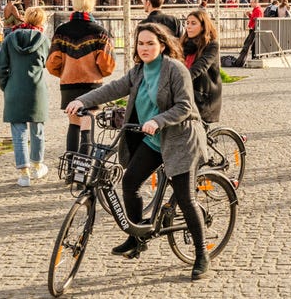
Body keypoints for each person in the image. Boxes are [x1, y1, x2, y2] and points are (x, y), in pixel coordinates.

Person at [65, 23, 211, 280]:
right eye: (140, 44)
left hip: (180, 139)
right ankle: (136, 238)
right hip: (153, 140)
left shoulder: (175, 70)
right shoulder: (138, 72)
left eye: (150, 43)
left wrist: (159, 120)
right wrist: (81, 100)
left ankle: (201, 254)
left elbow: (185, 107)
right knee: (130, 181)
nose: (144, 48)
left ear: (162, 45)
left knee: (185, 197)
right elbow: (112, 89)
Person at [47, 0, 116, 155]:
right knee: (87, 125)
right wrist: (99, 72)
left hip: (68, 85)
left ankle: (70, 166)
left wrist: (64, 73)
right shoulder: (100, 32)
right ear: (91, 6)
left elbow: (52, 63)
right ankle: (83, 168)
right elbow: (107, 63)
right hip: (92, 85)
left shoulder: (61, 31)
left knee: (73, 124)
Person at [0, 5, 50, 187]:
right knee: (38, 131)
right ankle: (37, 165)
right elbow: (49, 63)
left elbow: (2, 66)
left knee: (18, 132)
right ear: (41, 21)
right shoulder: (43, 40)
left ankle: (24, 173)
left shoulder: (10, 38)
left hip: (14, 89)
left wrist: (6, 86)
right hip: (36, 90)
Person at [182, 9, 222, 124]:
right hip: (187, 91)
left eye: (193, 23)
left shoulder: (212, 45)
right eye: (187, 23)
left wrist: (180, 81)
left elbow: (200, 66)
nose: (188, 26)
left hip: (203, 95)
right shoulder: (183, 44)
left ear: (203, 26)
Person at [235, 0, 263, 67]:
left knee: (249, 44)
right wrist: (249, 15)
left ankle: (252, 57)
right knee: (251, 44)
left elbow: (257, 20)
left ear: (255, 2)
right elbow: (254, 18)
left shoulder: (258, 10)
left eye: (251, 2)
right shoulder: (255, 9)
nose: (250, 4)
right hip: (253, 28)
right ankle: (253, 57)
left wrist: (250, 16)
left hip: (254, 29)